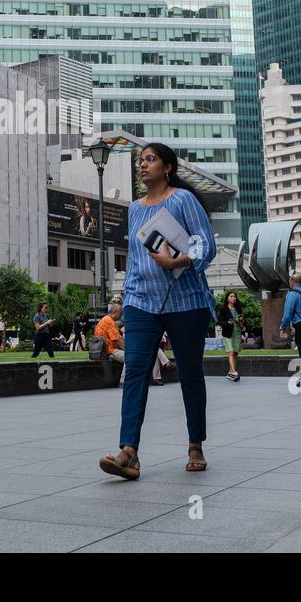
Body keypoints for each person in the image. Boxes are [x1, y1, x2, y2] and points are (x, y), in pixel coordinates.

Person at [99, 143, 216, 481]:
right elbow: (135, 258)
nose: (143, 165)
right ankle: (129, 452)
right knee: (135, 371)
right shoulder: (134, 209)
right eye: (140, 160)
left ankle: (196, 444)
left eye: (150, 159)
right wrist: (127, 295)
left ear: (167, 167)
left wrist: (178, 260)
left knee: (190, 373)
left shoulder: (182, 200)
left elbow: (204, 243)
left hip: (186, 303)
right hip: (141, 303)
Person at [219, 291, 243, 382]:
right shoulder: (223, 309)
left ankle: (230, 373)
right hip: (228, 333)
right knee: (231, 352)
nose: (233, 298)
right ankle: (233, 372)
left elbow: (242, 320)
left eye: (235, 296)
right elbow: (219, 321)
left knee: (236, 352)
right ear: (227, 298)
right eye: (231, 296)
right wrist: (227, 323)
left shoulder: (238, 308)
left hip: (237, 332)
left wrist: (242, 323)